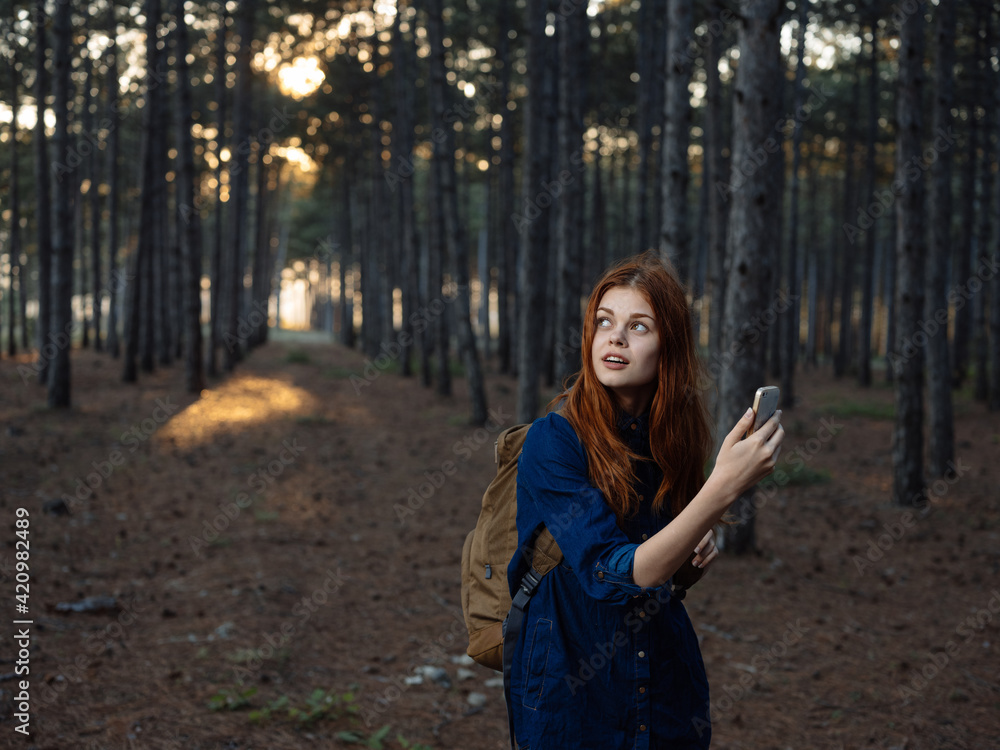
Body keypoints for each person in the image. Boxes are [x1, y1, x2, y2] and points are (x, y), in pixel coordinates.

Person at [507, 252, 784, 749]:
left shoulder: (672, 436)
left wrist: (690, 560)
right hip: (571, 683)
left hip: (660, 675)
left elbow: (663, 566)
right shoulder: (553, 441)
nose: (615, 337)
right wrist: (721, 490)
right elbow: (611, 571)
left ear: (668, 347)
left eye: (639, 326)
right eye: (604, 322)